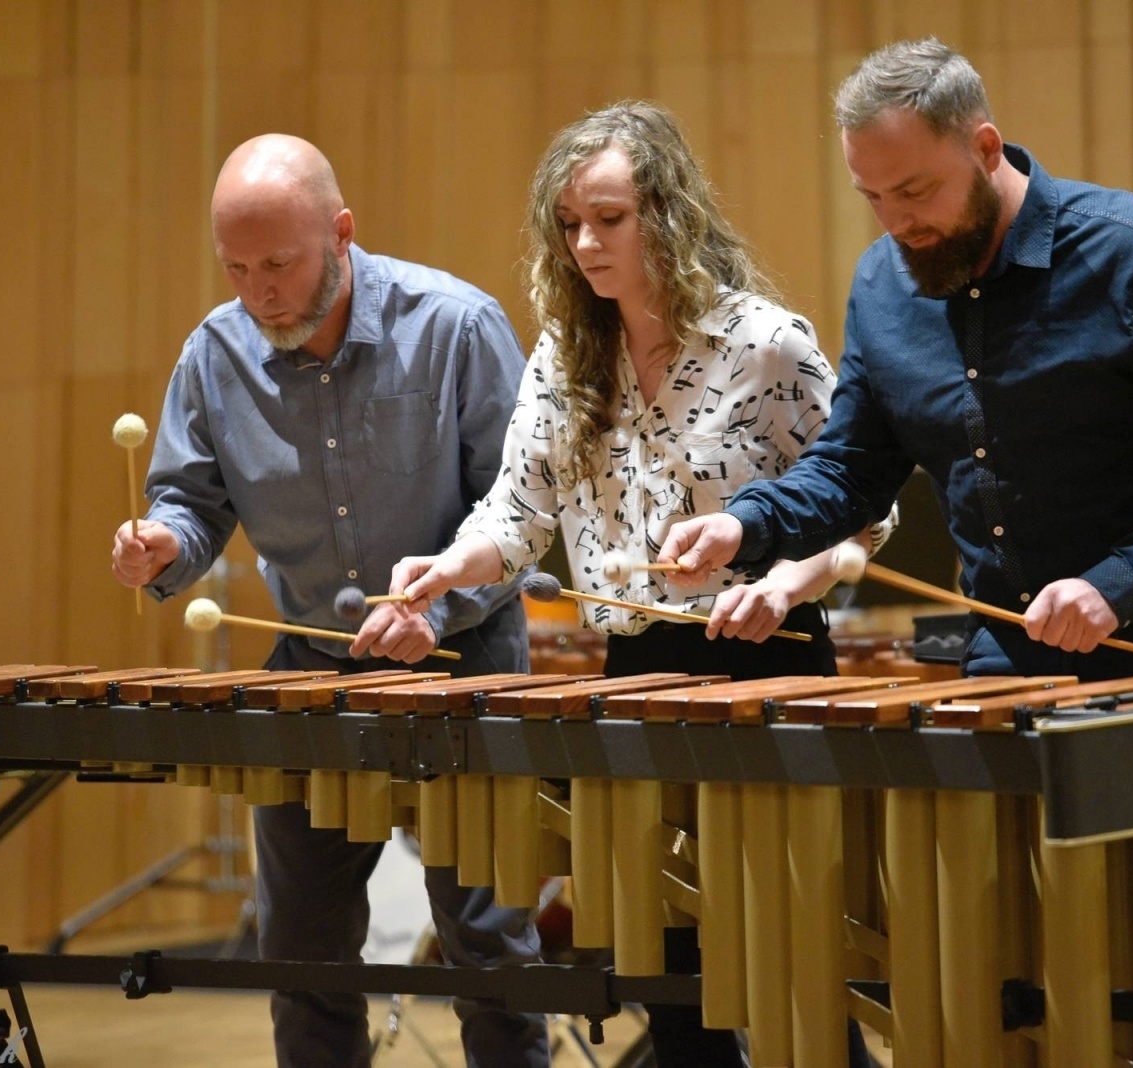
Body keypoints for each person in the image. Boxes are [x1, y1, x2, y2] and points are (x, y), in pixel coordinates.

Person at [392, 101, 886, 1068]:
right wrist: (449, 567)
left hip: (767, 665)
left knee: (794, 973)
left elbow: (861, 509)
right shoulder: (565, 361)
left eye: (609, 218)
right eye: (570, 223)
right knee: (673, 979)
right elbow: (518, 514)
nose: (585, 242)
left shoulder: (768, 346)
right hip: (635, 677)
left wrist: (783, 586)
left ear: (669, 213)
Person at [110, 134, 548, 1068]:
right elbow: (190, 503)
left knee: (491, 958)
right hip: (312, 680)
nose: (259, 290)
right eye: (237, 268)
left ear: (341, 233)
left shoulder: (457, 328)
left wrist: (437, 608)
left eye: (279, 263)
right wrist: (163, 547)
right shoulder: (214, 352)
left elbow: (524, 512)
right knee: (304, 960)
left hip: (462, 669)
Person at [660, 38, 1133, 682]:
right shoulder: (883, 285)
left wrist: (1120, 582)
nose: (895, 223)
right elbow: (853, 470)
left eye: (915, 190)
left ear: (986, 149)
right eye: (873, 196)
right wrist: (745, 525)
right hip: (1006, 653)